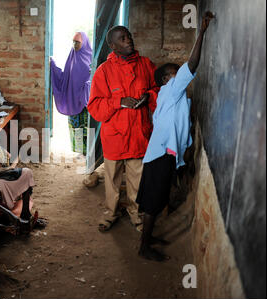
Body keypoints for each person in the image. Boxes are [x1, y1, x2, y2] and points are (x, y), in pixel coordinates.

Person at [137, 12, 214, 261]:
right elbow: (191, 66)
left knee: (157, 201)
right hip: (160, 157)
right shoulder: (171, 91)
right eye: (174, 72)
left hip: (161, 156)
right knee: (153, 203)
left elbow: (180, 129)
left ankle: (147, 238)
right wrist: (201, 33)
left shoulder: (172, 99)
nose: (179, 74)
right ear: (166, 80)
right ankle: (144, 248)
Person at [87, 26, 159, 233]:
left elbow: (158, 89)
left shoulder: (146, 65)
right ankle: (110, 213)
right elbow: (95, 107)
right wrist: (119, 102)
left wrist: (149, 97)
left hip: (139, 134)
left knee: (137, 180)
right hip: (115, 137)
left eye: (129, 36)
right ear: (113, 46)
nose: (129, 40)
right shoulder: (104, 71)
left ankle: (136, 214)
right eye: (123, 38)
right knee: (112, 180)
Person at [50, 31, 93, 155]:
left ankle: (89, 153)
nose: (75, 44)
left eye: (78, 42)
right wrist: (53, 66)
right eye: (73, 42)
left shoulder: (90, 57)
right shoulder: (72, 57)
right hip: (72, 98)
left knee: (87, 126)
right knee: (76, 126)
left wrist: (87, 86)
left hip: (86, 100)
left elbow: (95, 77)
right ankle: (80, 151)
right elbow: (65, 77)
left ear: (84, 43)